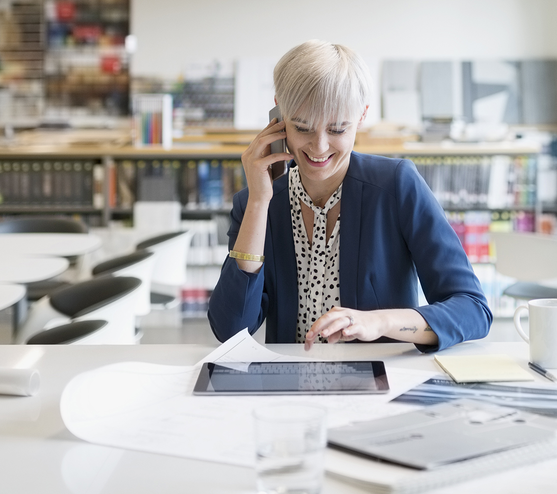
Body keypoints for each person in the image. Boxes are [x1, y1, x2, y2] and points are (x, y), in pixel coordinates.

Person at [208, 40, 492, 353]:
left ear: (361, 116)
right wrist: (259, 203)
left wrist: (380, 323)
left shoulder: (396, 185)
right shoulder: (257, 204)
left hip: (383, 383)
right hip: (290, 385)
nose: (319, 147)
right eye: (302, 127)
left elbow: (472, 309)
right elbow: (230, 331)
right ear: (279, 115)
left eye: (338, 129)